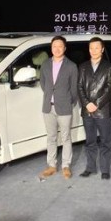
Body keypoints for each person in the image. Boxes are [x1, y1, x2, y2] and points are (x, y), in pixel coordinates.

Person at [39, 35, 79, 180]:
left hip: (64, 107)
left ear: (65, 48)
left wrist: (68, 101)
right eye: (54, 46)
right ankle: (52, 165)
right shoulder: (45, 64)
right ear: (51, 48)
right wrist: (50, 96)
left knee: (66, 137)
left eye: (60, 46)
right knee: (51, 137)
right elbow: (43, 84)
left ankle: (66, 166)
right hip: (48, 107)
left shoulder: (71, 66)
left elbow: (74, 89)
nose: (57, 49)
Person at [77, 37, 111, 180]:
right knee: (90, 141)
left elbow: (109, 88)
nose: (94, 50)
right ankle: (90, 168)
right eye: (91, 48)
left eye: (97, 48)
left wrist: (96, 104)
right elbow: (79, 87)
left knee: (105, 141)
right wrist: (87, 103)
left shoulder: (109, 67)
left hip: (102, 111)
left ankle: (105, 170)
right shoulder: (83, 66)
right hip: (87, 111)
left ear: (102, 49)